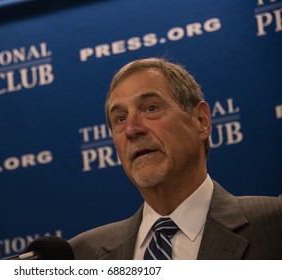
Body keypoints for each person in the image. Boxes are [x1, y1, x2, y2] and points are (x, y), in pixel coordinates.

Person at [69, 57, 282, 260]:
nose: (132, 129)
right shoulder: (82, 255)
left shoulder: (273, 224)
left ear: (201, 120)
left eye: (151, 108)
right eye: (120, 119)